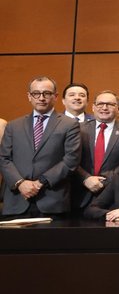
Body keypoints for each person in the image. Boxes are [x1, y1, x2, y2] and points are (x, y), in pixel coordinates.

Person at [1, 77, 82, 217]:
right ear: (29, 96)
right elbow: (4, 158)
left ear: (55, 96)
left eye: (47, 93)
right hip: (17, 200)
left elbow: (71, 159)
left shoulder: (70, 125)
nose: (41, 98)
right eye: (36, 93)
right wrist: (20, 183)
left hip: (52, 201)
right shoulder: (13, 126)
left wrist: (40, 182)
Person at [72, 91, 119, 215]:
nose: (104, 108)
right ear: (93, 107)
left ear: (118, 109)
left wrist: (103, 181)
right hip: (78, 195)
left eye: (110, 104)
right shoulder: (77, 129)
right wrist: (86, 178)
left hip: (110, 196)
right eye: (100, 104)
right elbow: (70, 158)